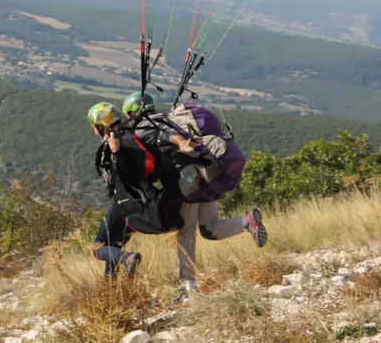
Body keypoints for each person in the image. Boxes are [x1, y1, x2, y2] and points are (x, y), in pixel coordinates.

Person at [121, 92, 268, 301]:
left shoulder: (147, 126)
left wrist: (180, 143)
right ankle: (247, 221)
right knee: (209, 229)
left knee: (186, 234)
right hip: (204, 175)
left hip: (187, 183)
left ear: (132, 112)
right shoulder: (165, 117)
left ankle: (190, 287)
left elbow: (165, 135)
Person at [87, 101, 196, 279]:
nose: (93, 131)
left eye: (94, 127)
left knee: (98, 247)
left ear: (101, 126)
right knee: (114, 245)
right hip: (142, 202)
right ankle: (111, 288)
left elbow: (124, 173)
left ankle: (128, 259)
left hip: (125, 204)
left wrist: (115, 152)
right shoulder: (131, 135)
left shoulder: (116, 143)